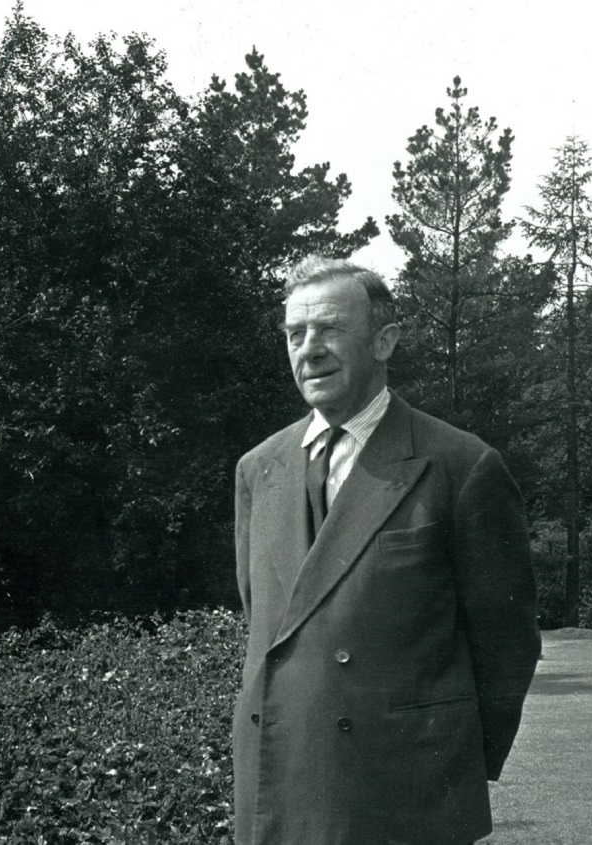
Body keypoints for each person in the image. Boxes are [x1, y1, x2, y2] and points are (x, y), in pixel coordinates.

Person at [233, 255, 541, 845]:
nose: (310, 349)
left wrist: (449, 765)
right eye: (296, 334)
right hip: (278, 780)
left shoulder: (461, 464)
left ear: (384, 341)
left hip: (405, 797)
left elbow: (506, 645)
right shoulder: (258, 468)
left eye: (330, 329)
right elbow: (269, 622)